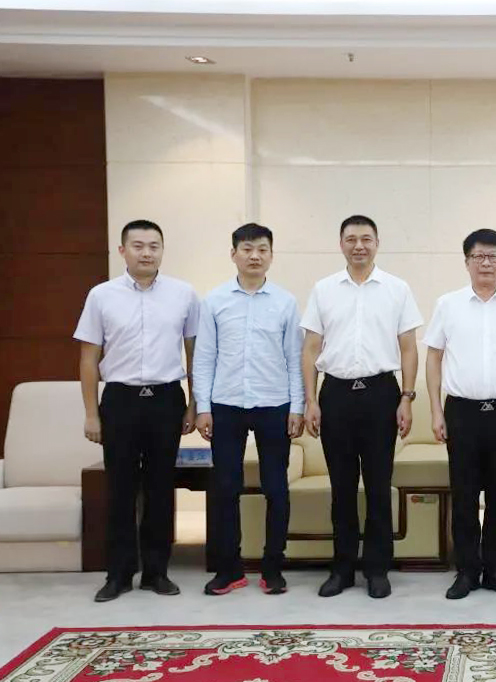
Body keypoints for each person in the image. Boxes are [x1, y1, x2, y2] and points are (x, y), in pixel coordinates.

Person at [75, 219, 200, 602]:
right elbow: (88, 358)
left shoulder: (183, 294)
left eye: (154, 246)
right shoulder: (101, 296)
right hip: (120, 400)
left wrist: (194, 404)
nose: (147, 253)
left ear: (162, 250)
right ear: (122, 250)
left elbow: (195, 354)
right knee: (120, 489)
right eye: (138, 245)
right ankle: (118, 574)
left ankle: (156, 572)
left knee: (161, 488)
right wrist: (91, 413)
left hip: (166, 399)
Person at [301, 215, 422, 599]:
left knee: (378, 486)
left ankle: (377, 569)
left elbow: (408, 348)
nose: (359, 246)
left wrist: (406, 397)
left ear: (377, 243)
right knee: (341, 487)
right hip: (335, 395)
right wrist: (310, 400)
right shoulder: (324, 289)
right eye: (351, 239)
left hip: (380, 394)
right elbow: (311, 349)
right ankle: (342, 569)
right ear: (341, 244)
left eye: (366, 239)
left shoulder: (397, 289)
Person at [424, 229, 496, 600]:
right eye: (478, 256)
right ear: (467, 262)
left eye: (493, 256)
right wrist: (436, 410)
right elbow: (434, 357)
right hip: (462, 412)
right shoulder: (448, 304)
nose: (486, 263)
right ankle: (467, 572)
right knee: (464, 496)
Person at [193, 223, 304, 596]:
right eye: (247, 249)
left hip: (275, 404)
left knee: (277, 488)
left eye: (262, 249)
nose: (254, 255)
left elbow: (294, 359)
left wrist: (297, 407)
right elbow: (204, 357)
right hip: (226, 404)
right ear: (233, 254)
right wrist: (203, 407)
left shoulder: (285, 302)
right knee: (226, 488)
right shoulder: (214, 300)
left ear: (271, 255)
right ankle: (229, 569)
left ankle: (273, 567)